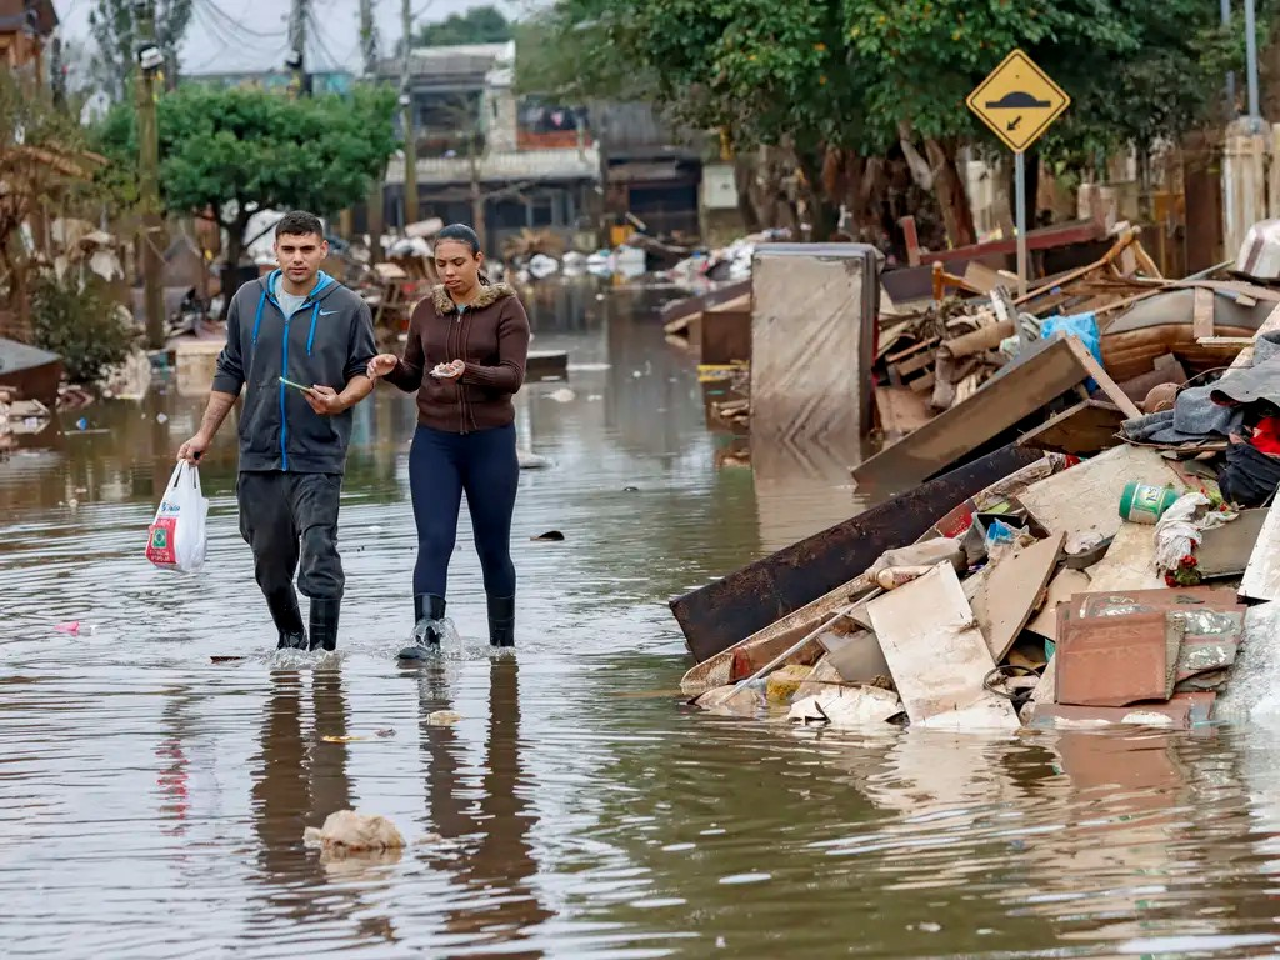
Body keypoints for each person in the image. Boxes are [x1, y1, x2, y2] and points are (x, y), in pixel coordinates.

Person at [177, 210, 377, 652]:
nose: (297, 258)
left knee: (320, 553)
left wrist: (341, 401)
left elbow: (364, 372)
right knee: (269, 564)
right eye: (289, 249)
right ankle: (290, 639)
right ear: (276, 252)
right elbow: (230, 370)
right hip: (259, 454)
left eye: (306, 249)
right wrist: (203, 435)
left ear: (323, 250)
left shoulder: (348, 306)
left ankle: (323, 656)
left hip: (319, 454)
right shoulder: (248, 300)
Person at [365, 223, 529, 658]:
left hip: (490, 442)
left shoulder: (506, 309)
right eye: (441, 264)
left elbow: (512, 376)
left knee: (492, 548)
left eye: (458, 262)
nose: (449, 272)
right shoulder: (425, 310)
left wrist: (466, 371)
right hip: (435, 443)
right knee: (435, 540)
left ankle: (503, 648)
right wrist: (392, 367)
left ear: (478, 260)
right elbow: (413, 376)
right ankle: (427, 638)